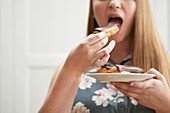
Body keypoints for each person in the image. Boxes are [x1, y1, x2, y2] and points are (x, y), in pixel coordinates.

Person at [38, 0, 170, 113]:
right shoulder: (70, 67)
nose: (114, 3)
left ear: (140, 9)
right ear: (92, 11)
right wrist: (71, 70)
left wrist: (166, 105)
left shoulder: (166, 66)